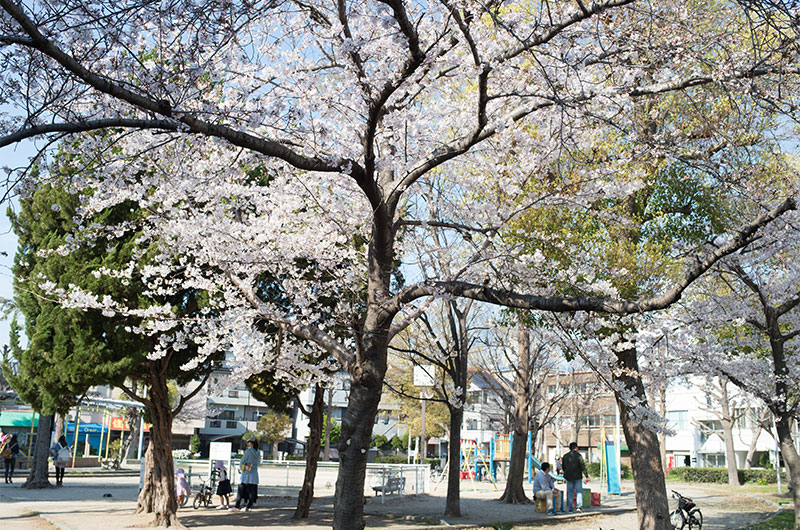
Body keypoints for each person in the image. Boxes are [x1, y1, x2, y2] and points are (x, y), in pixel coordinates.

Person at [231, 438, 260, 512]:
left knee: (241, 489)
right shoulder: (258, 452)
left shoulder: (248, 451)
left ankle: (237, 506)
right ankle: (249, 506)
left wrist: (240, 468)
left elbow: (243, 461)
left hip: (246, 472)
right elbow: (258, 462)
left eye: (249, 443)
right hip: (254, 473)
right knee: (252, 490)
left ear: (252, 444)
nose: (247, 444)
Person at [562, 442, 589, 513]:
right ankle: (579, 507)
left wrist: (566, 473)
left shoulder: (565, 456)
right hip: (577, 476)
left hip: (568, 477)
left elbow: (563, 467)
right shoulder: (578, 455)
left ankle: (570, 508)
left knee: (570, 492)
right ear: (575, 448)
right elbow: (582, 466)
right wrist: (586, 475)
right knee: (579, 492)